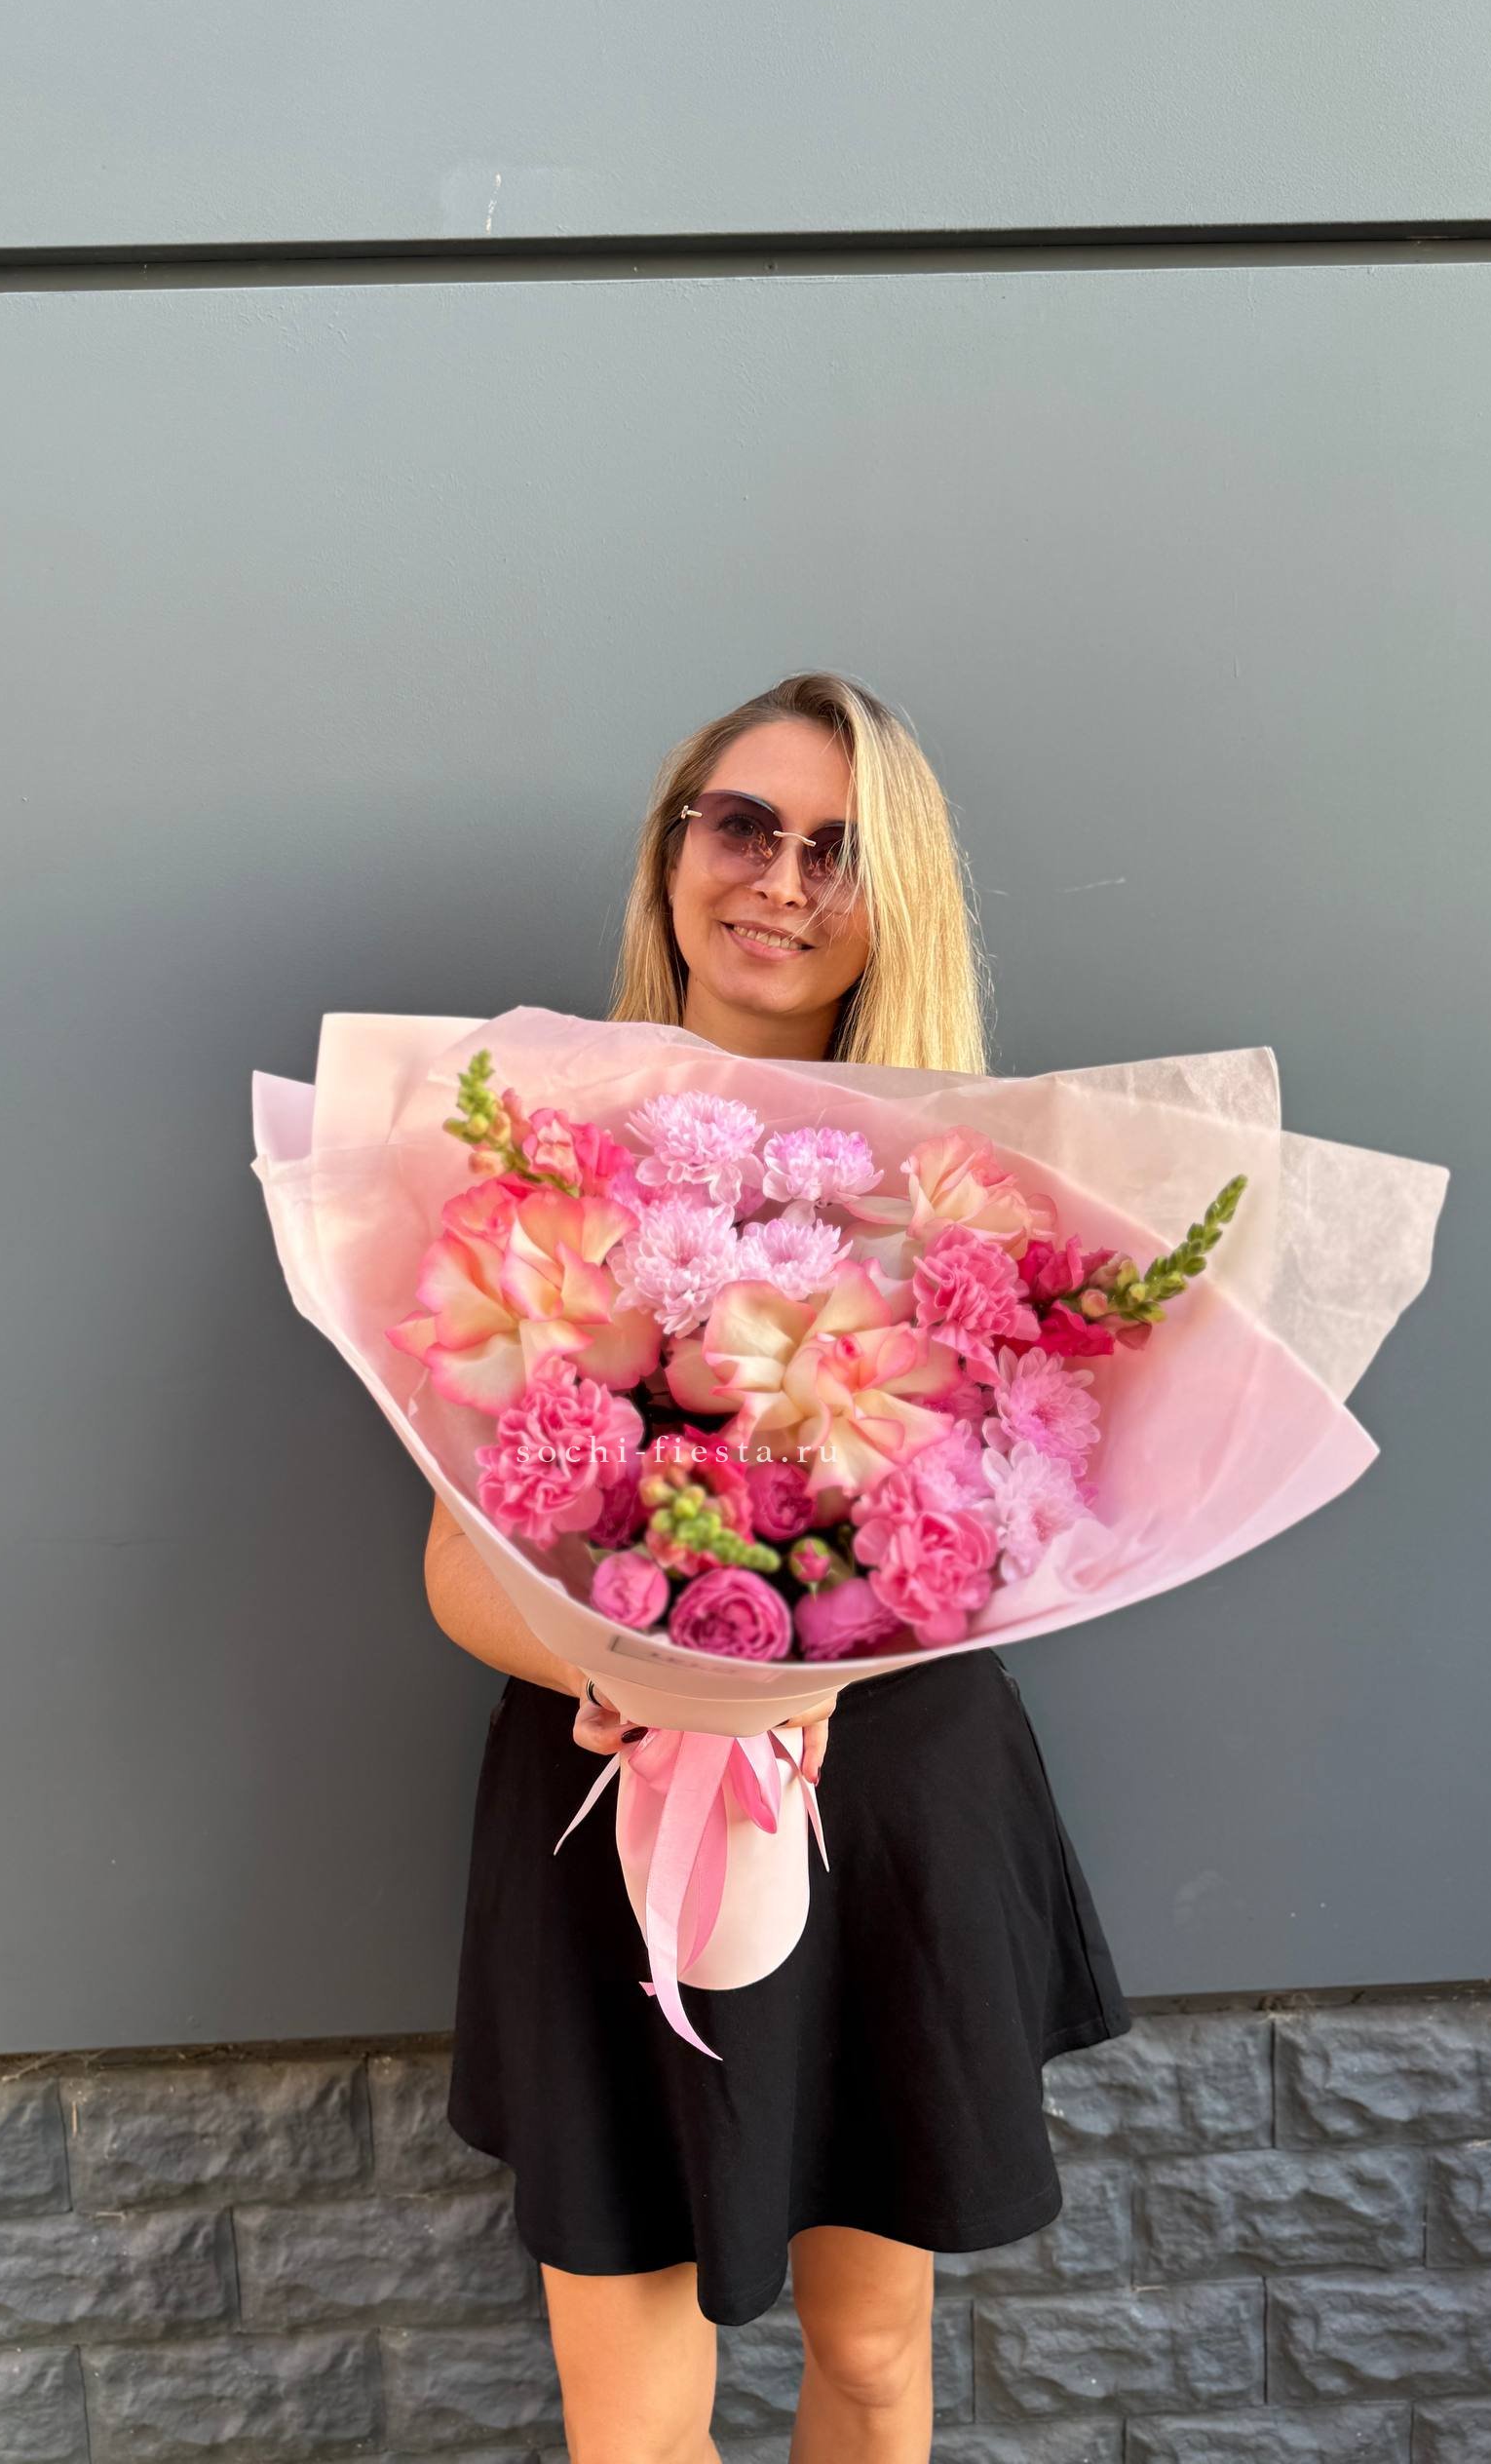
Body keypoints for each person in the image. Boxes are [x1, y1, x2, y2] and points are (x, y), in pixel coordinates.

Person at [424, 672, 1133, 2462]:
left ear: (898, 898)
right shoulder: (543, 1161)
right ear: (676, 848)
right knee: (634, 2418)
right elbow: (455, 1569)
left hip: (887, 1806)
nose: (782, 882)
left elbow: (1027, 1511)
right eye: (745, 825)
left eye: (841, 849)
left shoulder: (969, 1195)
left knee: (875, 2360)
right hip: (608, 1805)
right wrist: (630, 1672)